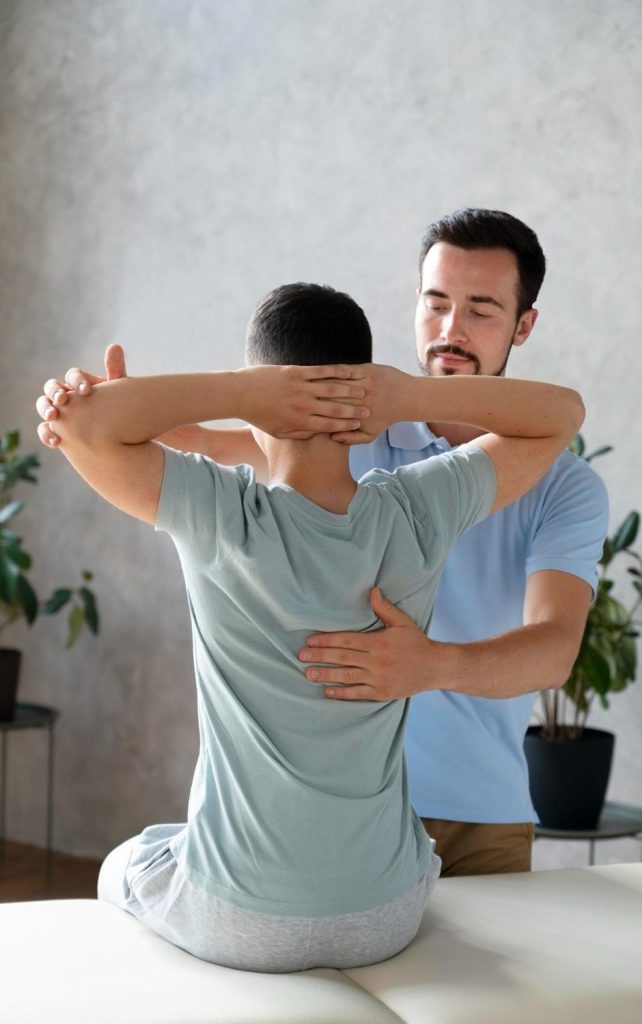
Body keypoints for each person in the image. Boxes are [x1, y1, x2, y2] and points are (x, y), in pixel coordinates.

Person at [37, 208, 609, 878]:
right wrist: (78, 405)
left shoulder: (560, 484)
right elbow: (191, 440)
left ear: (523, 324)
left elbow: (552, 652)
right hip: (335, 816)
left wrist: (430, 666)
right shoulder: (336, 431)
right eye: (435, 303)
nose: (450, 330)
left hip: (481, 814)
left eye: (481, 310)